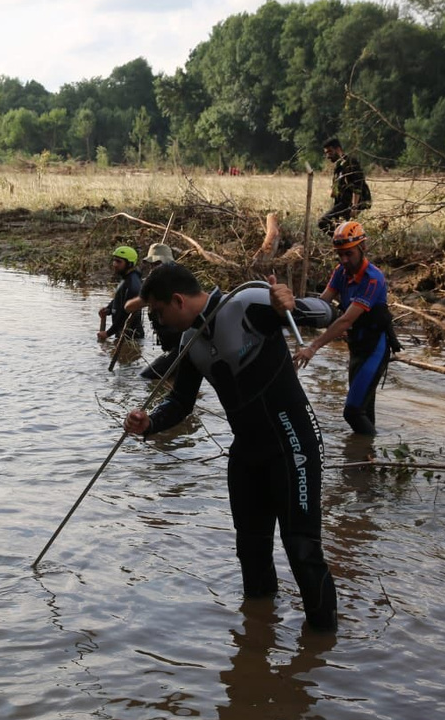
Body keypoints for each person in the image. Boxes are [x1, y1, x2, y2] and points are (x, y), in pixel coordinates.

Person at [123, 264, 338, 632]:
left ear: (177, 300)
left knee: (302, 551)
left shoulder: (247, 303)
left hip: (293, 446)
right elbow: (180, 401)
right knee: (251, 555)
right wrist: (150, 424)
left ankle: (322, 653)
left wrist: (289, 302)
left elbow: (325, 313)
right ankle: (256, 641)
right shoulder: (190, 341)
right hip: (248, 455)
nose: (158, 322)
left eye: (158, 312)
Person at [293, 221, 401, 435]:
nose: (344, 260)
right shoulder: (340, 272)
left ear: (363, 248)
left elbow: (345, 320)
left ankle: (374, 455)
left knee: (352, 412)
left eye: (349, 254)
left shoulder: (373, 279)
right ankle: (365, 458)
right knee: (364, 410)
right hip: (356, 347)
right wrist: (293, 311)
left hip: (374, 350)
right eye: (339, 254)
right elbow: (323, 303)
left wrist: (313, 348)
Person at [124, 242, 182, 379]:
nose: (152, 268)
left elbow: (129, 307)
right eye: (151, 265)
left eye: (155, 264)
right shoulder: (175, 277)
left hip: (181, 348)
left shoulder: (164, 284)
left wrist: (147, 295)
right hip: (180, 348)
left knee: (146, 377)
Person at [317, 138, 371, 234]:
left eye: (329, 152)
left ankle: (344, 240)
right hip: (343, 202)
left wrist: (354, 207)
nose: (328, 156)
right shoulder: (339, 166)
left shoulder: (350, 162)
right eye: (326, 153)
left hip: (350, 203)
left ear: (338, 149)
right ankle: (345, 242)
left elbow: (357, 184)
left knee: (323, 222)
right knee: (340, 226)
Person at [97, 246, 144, 343]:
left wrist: (108, 333)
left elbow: (125, 314)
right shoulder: (126, 278)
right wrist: (109, 309)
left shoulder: (133, 283)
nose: (114, 264)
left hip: (131, 338)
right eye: (114, 261)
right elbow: (119, 299)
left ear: (129, 264)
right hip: (122, 336)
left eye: (119, 261)